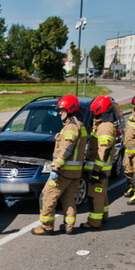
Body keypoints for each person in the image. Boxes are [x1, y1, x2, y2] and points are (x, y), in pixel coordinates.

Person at [32, 95, 87, 236]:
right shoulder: (80, 125)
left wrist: (56, 168)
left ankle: (46, 227)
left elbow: (67, 149)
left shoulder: (71, 127)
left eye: (62, 110)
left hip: (64, 172)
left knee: (47, 197)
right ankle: (69, 226)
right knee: (68, 199)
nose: (60, 113)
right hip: (75, 173)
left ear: (70, 110)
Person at [81, 95, 116, 230]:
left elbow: (104, 150)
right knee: (102, 194)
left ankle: (94, 222)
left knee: (95, 195)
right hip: (101, 169)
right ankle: (104, 215)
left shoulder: (105, 127)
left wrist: (96, 170)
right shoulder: (103, 125)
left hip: (99, 170)